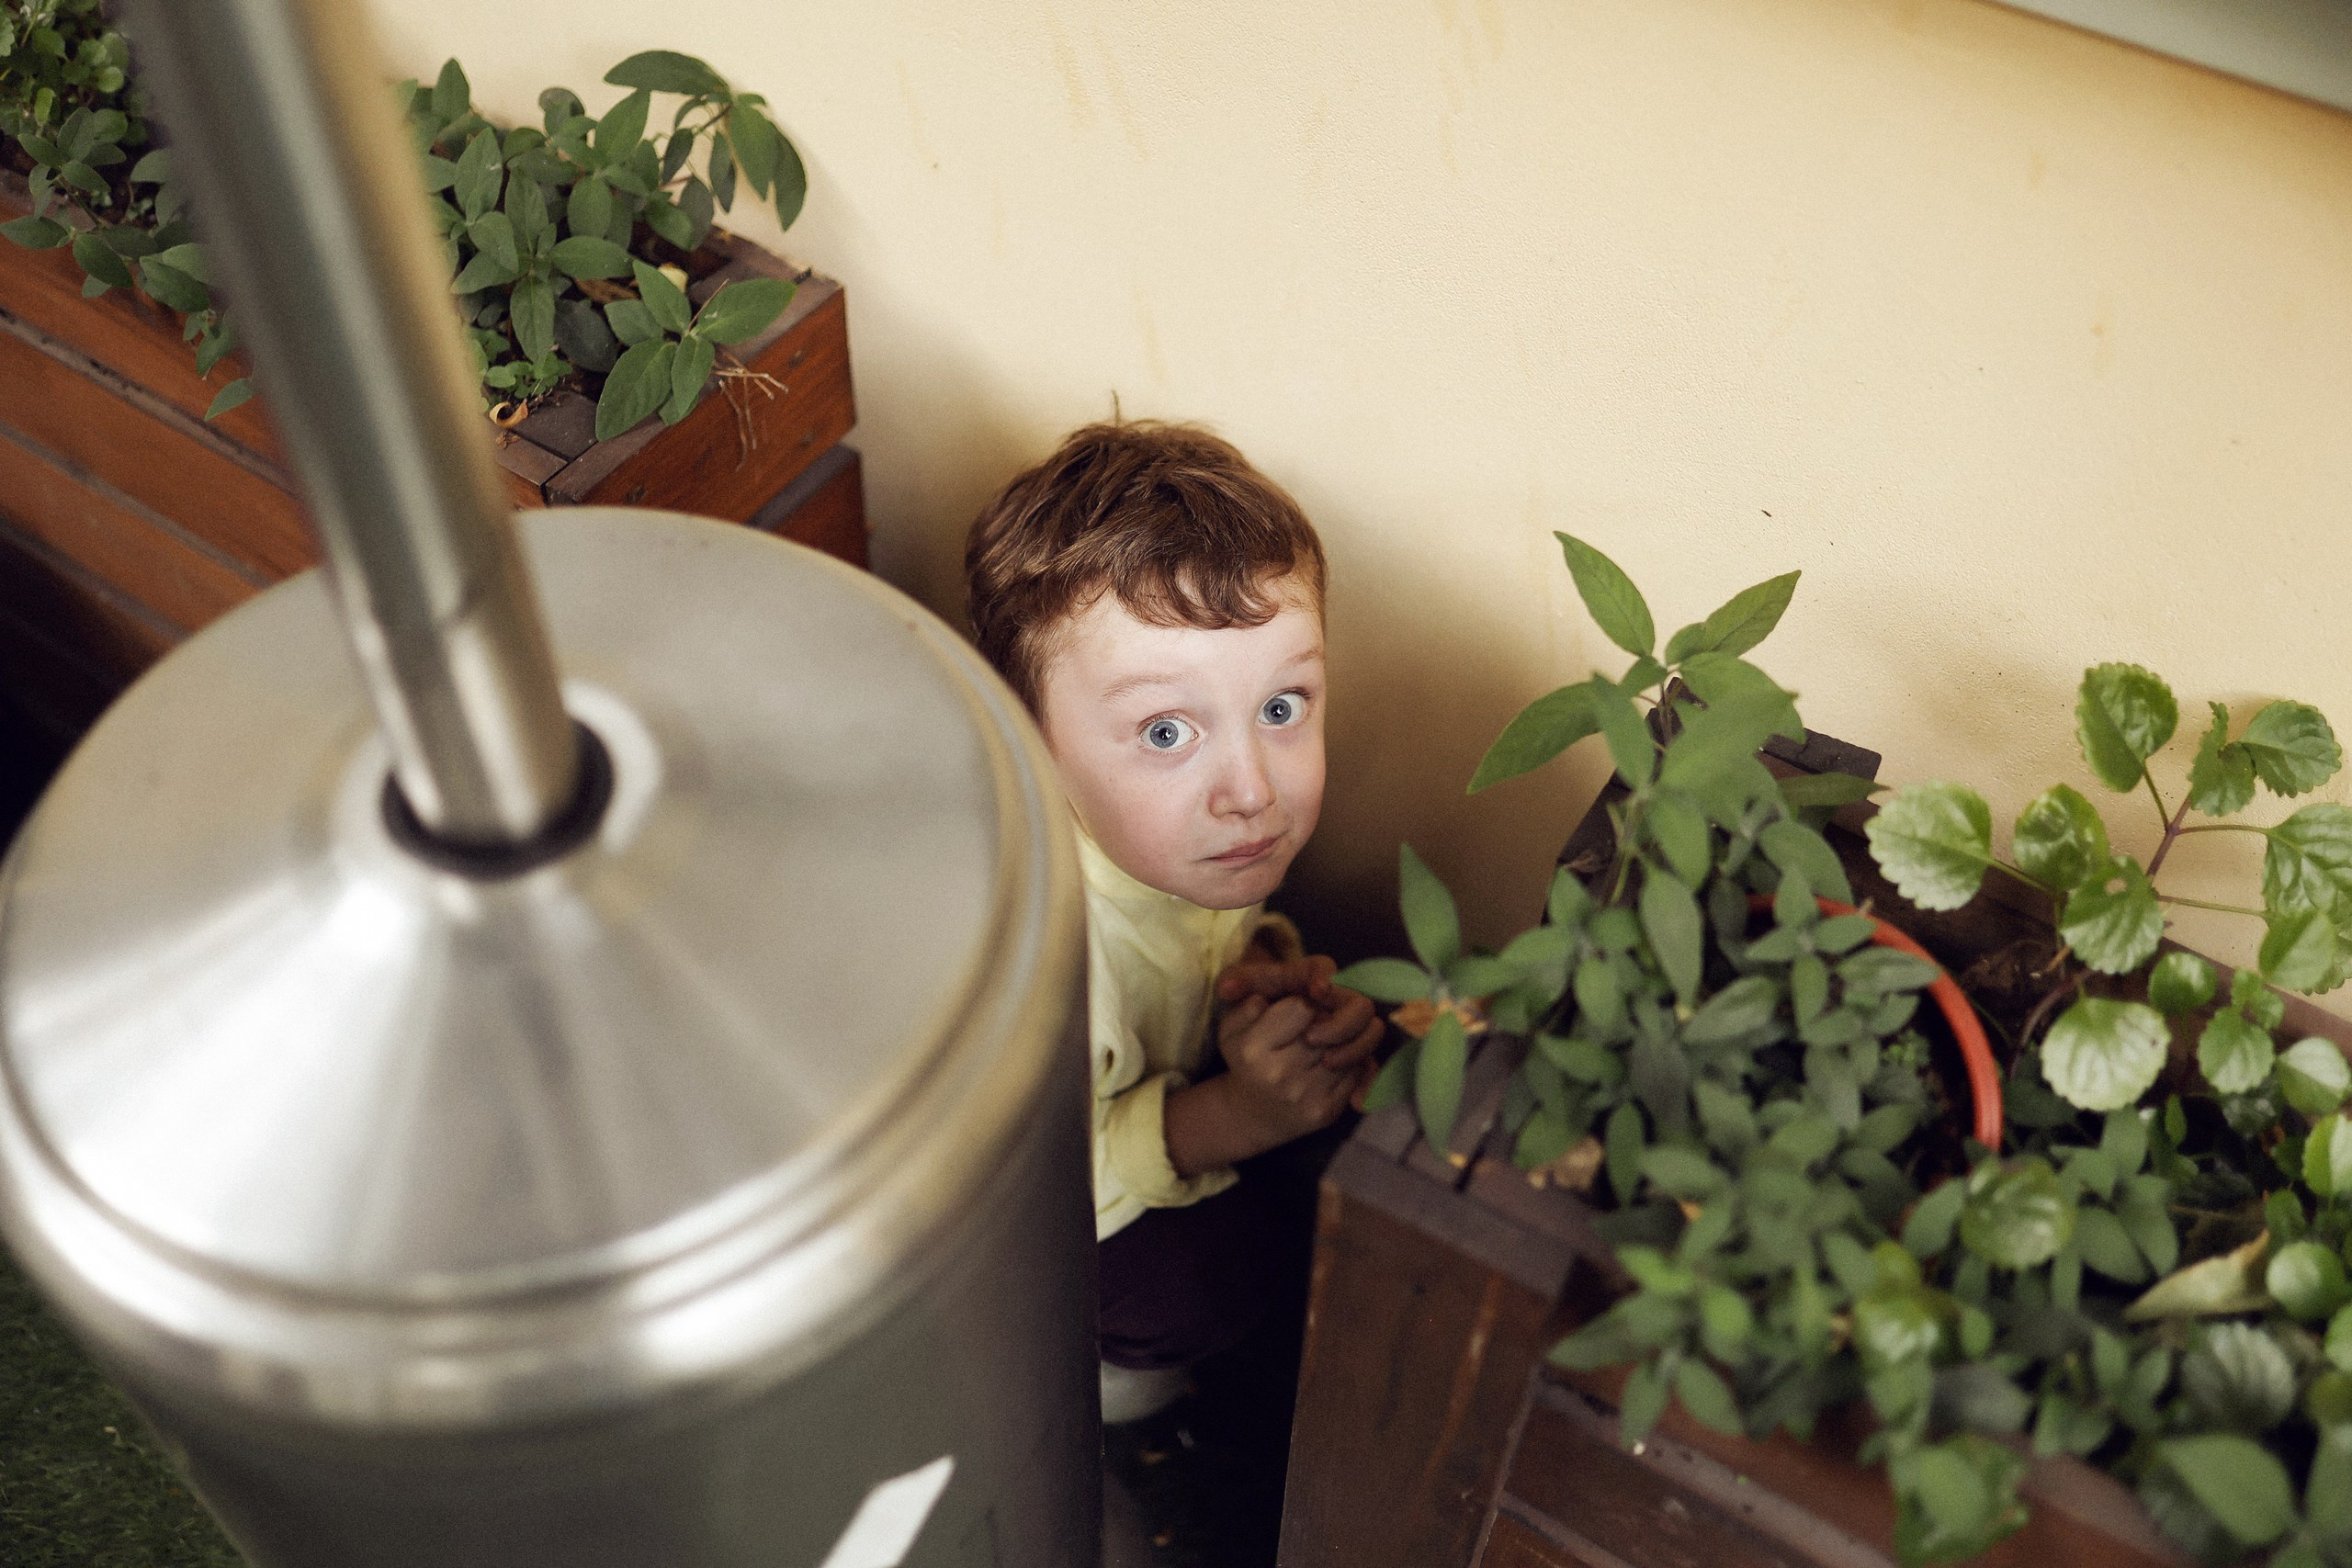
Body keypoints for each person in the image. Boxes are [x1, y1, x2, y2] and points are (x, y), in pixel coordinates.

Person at [965, 420, 1383, 1423]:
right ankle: (1103, 1379)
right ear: (1032, 743)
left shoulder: (1179, 841)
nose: (1250, 792)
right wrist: (1243, 1115)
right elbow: (1022, 1198)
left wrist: (1262, 972)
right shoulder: (1042, 959)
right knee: (1205, 1282)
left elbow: (1199, 941)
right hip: (1005, 1215)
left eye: (1283, 707)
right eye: (1165, 731)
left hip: (1148, 1088)